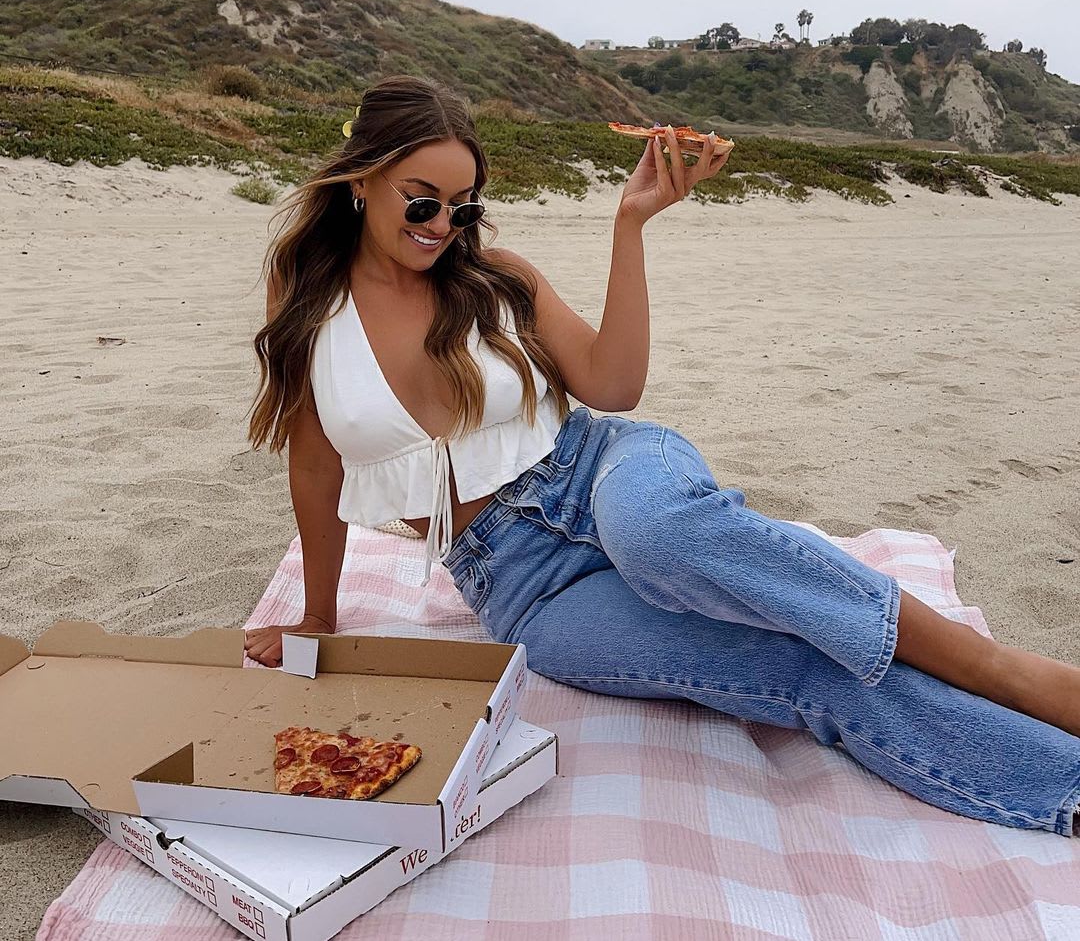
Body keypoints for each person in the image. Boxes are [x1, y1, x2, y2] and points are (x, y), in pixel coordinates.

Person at [245, 75, 1080, 834]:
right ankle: (1064, 786)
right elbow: (316, 466)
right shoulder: (312, 312)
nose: (442, 228)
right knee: (794, 665)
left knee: (657, 534)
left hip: (601, 470)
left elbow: (612, 387)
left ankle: (999, 670)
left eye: (462, 207)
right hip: (519, 584)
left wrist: (630, 223)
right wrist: (318, 615)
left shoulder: (494, 277)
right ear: (361, 179)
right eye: (420, 202)